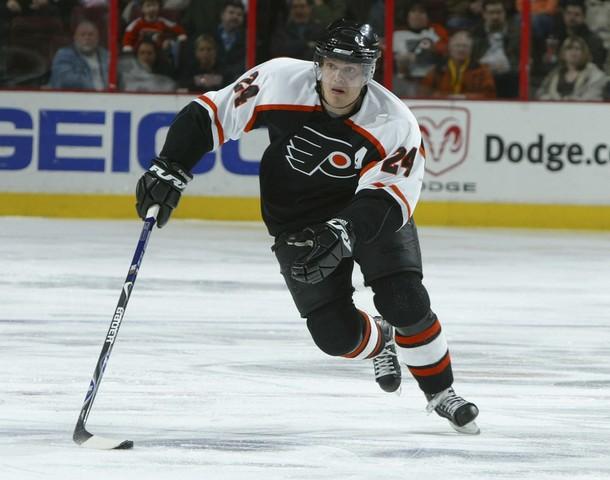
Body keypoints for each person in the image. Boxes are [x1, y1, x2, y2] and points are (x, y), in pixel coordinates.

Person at [134, 19, 480, 434]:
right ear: (319, 64)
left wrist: (344, 231)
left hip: (365, 213)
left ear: (369, 73)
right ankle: (381, 339)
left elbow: (390, 198)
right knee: (335, 336)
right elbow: (211, 114)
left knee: (403, 300)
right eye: (332, 66)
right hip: (295, 220)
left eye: (352, 70)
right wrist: (170, 165)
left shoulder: (393, 122)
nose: (340, 78)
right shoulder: (279, 80)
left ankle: (441, 393)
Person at [392, 1, 448, 98]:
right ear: (407, 15)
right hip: (403, 81)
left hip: (431, 82)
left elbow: (445, 52)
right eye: (413, 11)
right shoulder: (396, 35)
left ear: (428, 16)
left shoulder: (436, 32)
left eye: (422, 12)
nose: (417, 15)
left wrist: (427, 52)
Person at [421, 30, 496, 99]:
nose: (461, 49)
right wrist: (445, 97)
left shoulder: (481, 70)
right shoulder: (438, 70)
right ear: (450, 48)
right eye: (457, 45)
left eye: (465, 46)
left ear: (471, 49)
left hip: (472, 106)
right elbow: (424, 94)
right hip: (443, 106)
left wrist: (465, 97)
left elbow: (489, 95)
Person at [471, 0, 520, 98]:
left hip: (509, 75)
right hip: (483, 74)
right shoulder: (475, 33)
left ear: (504, 13)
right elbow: (472, 59)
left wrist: (508, 66)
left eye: (499, 12)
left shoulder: (517, 33)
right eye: (491, 13)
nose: (495, 17)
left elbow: (520, 59)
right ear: (484, 14)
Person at [536, 35, 608, 100]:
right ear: (563, 53)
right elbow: (540, 94)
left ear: (584, 53)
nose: (573, 52)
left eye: (577, 49)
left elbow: (594, 96)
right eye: (569, 48)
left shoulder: (594, 75)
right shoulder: (554, 74)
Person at [48, 20, 108, 90]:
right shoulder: (64, 55)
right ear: (75, 38)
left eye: (91, 34)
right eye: (82, 35)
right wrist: (94, 87)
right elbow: (65, 80)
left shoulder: (105, 55)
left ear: (97, 38)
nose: (87, 38)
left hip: (108, 95)